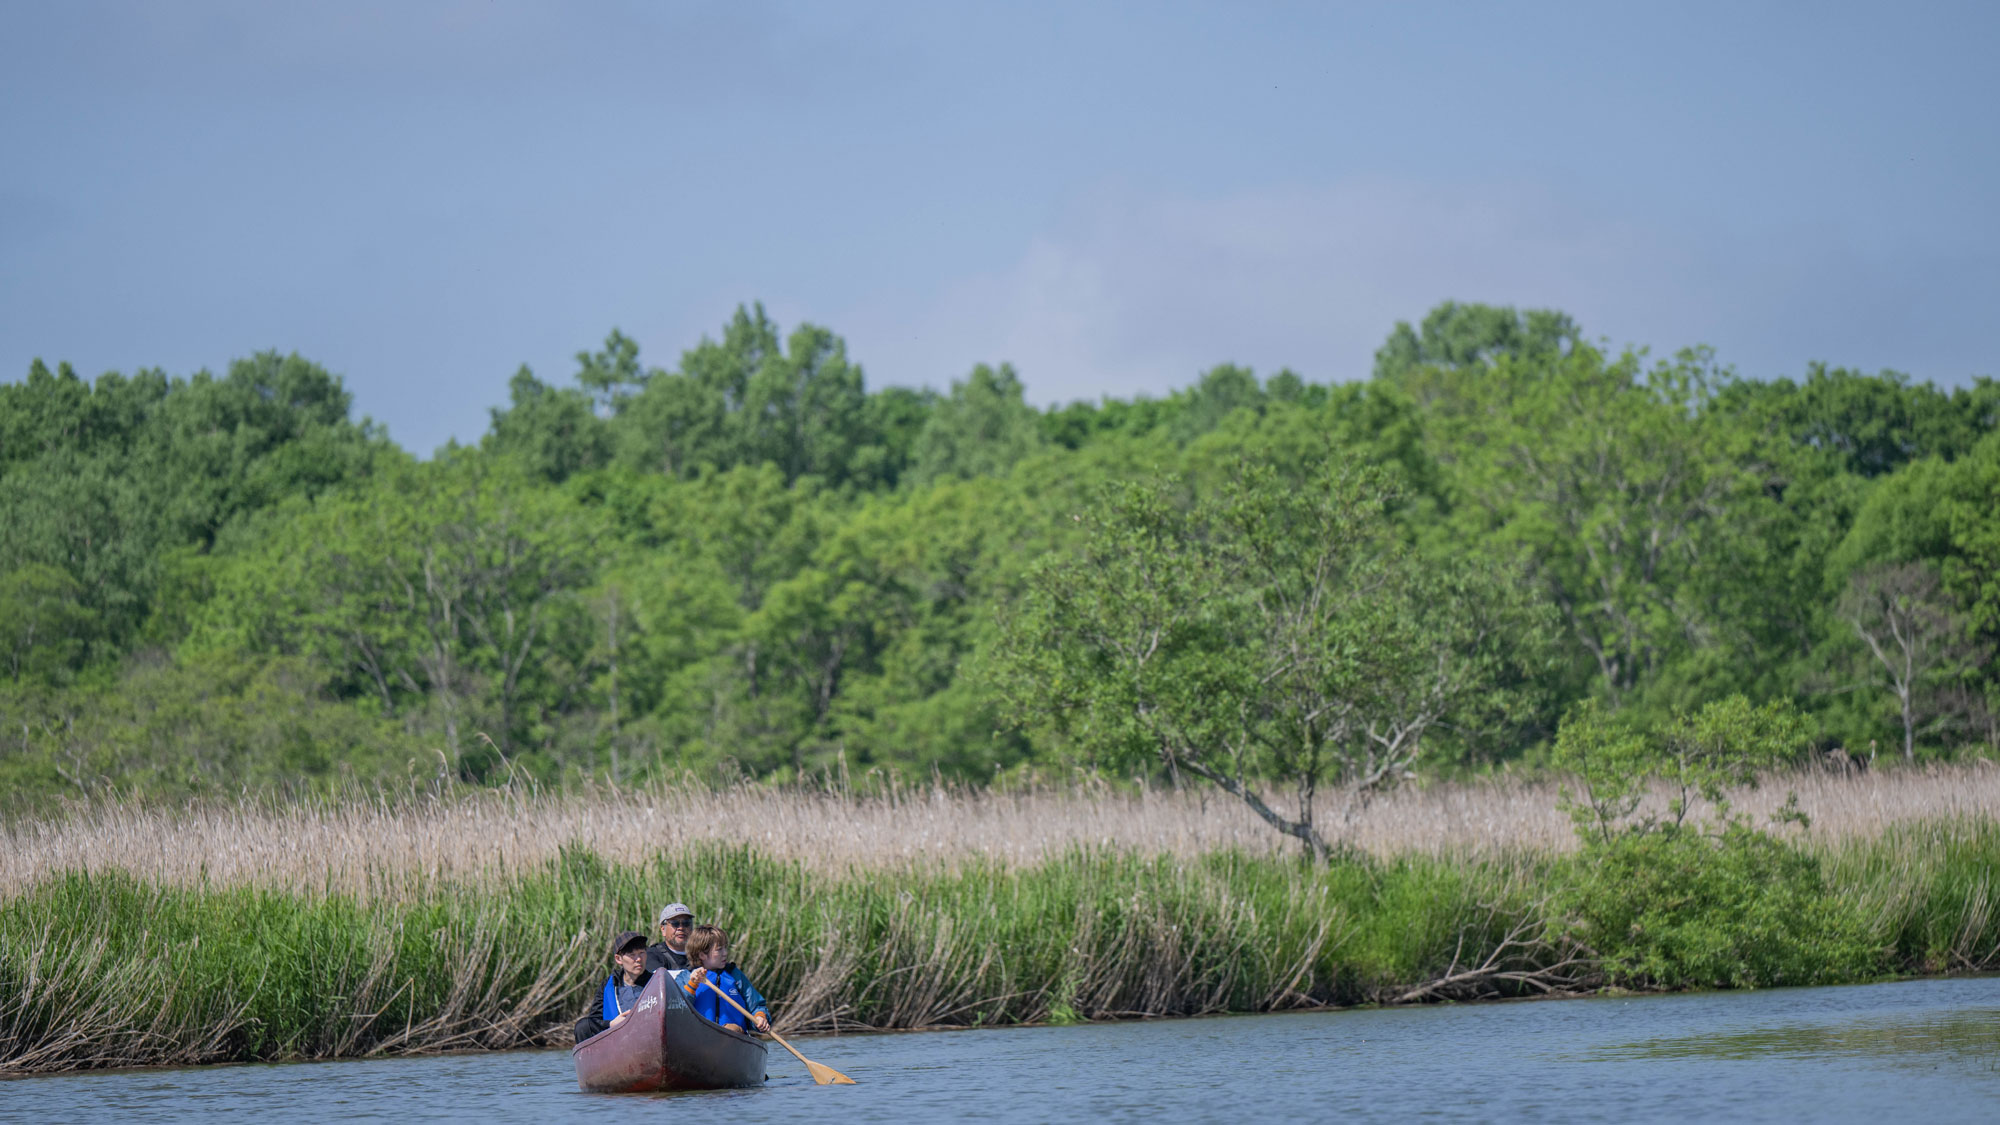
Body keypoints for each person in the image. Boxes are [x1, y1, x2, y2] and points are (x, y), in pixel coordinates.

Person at [681, 924, 770, 1034]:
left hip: (734, 1038)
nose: (725, 953)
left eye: (725, 948)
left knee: (732, 1029)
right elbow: (676, 1009)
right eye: (719, 950)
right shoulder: (685, 977)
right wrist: (692, 984)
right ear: (702, 955)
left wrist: (760, 1017)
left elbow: (756, 1005)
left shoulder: (734, 975)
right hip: (699, 1037)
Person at [574, 930, 653, 1043]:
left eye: (642, 953)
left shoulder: (656, 981)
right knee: (582, 1026)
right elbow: (595, 1019)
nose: (639, 959)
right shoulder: (607, 985)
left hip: (648, 1036)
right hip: (617, 1042)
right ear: (618, 959)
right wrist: (611, 1024)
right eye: (632, 955)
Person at [645, 902, 695, 972]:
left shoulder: (700, 955)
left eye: (686, 923)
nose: (681, 928)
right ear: (663, 929)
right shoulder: (653, 955)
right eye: (675, 924)